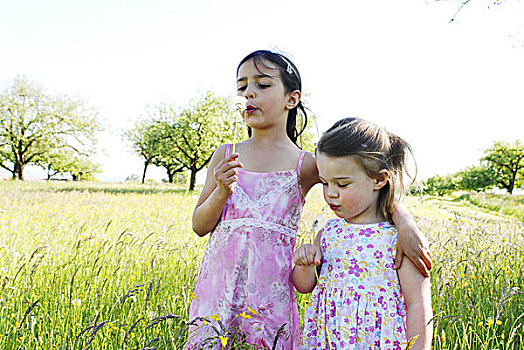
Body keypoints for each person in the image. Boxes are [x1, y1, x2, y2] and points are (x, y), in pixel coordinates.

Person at [186, 50, 431, 349]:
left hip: (270, 293)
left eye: (262, 85)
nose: (249, 93)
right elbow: (200, 225)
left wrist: (404, 222)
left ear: (292, 98)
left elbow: (365, 182)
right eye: (242, 87)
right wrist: (222, 191)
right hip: (219, 287)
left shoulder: (306, 164)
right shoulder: (225, 155)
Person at [292, 118, 433, 350]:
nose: (331, 194)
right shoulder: (328, 233)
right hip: (329, 340)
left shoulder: (399, 241)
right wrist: (304, 264)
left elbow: (418, 303)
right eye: (325, 183)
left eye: (342, 184)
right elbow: (304, 286)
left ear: (379, 179)